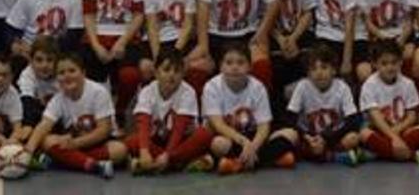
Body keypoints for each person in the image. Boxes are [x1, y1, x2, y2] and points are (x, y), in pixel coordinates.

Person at [79, 0, 145, 122]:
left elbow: (138, 15)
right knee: (89, 78)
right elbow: (88, 14)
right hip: (97, 34)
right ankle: (97, 117)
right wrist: (96, 44)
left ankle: (120, 109)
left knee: (130, 76)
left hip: (126, 36)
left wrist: (122, 42)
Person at [23, 53, 128, 179]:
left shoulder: (99, 92)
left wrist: (76, 144)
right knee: (47, 141)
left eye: (72, 71)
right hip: (71, 143)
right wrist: (28, 151)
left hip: (97, 142)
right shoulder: (58, 99)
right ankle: (93, 165)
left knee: (119, 150)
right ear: (57, 78)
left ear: (83, 73)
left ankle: (63, 161)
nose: (67, 76)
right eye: (61, 73)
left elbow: (104, 130)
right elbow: (44, 125)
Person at [203, 42, 297, 175]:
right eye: (229, 63)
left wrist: (253, 146)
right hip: (230, 138)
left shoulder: (258, 87)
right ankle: (272, 160)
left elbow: (264, 126)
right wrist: (242, 142)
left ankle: (236, 164)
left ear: (249, 66)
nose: (234, 67)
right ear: (220, 67)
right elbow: (218, 125)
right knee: (217, 144)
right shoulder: (211, 87)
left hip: (254, 138)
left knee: (291, 134)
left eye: (240, 63)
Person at [252, 0, 318, 113]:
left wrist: (294, 37)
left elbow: (307, 12)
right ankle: (279, 115)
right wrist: (281, 39)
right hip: (274, 35)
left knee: (314, 62)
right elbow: (262, 18)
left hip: (299, 32)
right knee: (275, 67)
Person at [125, 48, 214, 174]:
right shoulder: (147, 91)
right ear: (156, 72)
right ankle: (182, 163)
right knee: (132, 141)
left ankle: (157, 164)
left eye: (177, 71)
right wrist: (144, 151)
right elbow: (143, 122)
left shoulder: (188, 92)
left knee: (204, 134)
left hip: (180, 141)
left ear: (183, 74)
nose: (171, 75)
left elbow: (180, 127)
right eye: (166, 70)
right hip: (156, 141)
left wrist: (167, 155)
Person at [144, 0, 207, 91]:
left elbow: (188, 24)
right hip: (159, 41)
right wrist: (158, 57)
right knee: (148, 68)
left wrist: (176, 53)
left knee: (198, 67)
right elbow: (152, 27)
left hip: (182, 42)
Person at [284, 44, 361, 164]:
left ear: (334, 70)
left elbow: (353, 121)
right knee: (289, 136)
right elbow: (290, 119)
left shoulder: (342, 87)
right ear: (308, 73)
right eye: (313, 69)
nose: (319, 73)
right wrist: (307, 137)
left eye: (324, 67)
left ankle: (320, 155)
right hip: (308, 136)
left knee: (353, 138)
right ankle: (332, 156)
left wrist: (326, 139)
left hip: (333, 137)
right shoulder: (303, 86)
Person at [359, 40, 419, 162]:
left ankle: (378, 154)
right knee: (364, 134)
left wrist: (396, 133)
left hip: (401, 129)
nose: (390, 67)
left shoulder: (408, 83)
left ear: (401, 63)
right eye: (384, 63)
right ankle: (414, 156)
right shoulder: (369, 85)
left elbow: (412, 116)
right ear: (375, 64)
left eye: (394, 63)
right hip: (379, 129)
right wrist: (393, 137)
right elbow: (375, 117)